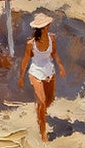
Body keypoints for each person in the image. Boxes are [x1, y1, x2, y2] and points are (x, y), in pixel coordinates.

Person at [20, 11, 59, 140]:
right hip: (35, 72)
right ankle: (43, 131)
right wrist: (21, 77)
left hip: (49, 71)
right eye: (46, 26)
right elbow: (26, 59)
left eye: (48, 25)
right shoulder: (30, 43)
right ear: (41, 28)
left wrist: (61, 66)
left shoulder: (52, 38)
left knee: (49, 100)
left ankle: (40, 113)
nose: (48, 27)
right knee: (42, 102)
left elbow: (54, 54)